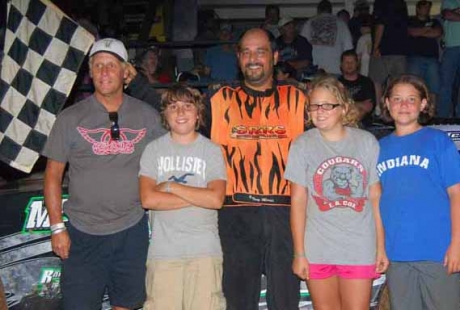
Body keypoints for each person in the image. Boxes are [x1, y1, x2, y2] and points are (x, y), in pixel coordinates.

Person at [43, 38, 164, 310]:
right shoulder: (70, 118)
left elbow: (174, 149)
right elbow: (52, 175)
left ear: (125, 72)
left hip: (131, 230)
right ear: (90, 72)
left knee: (127, 303)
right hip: (82, 234)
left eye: (111, 65)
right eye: (98, 66)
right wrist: (56, 227)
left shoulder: (146, 115)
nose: (105, 72)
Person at [208, 28, 307, 310]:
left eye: (260, 51)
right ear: (238, 58)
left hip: (287, 213)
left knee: (285, 299)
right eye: (247, 52)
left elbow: (339, 126)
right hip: (234, 211)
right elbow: (173, 114)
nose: (253, 59)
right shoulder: (217, 99)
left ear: (274, 57)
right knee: (237, 300)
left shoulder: (300, 98)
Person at [285, 75, 388, 310]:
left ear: (343, 107)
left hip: (359, 246)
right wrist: (299, 253)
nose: (319, 111)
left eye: (327, 105)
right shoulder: (302, 144)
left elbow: (375, 197)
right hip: (318, 247)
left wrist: (381, 247)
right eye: (314, 105)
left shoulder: (366, 142)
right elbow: (298, 201)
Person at [139, 84, 227, 310]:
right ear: (164, 115)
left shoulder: (212, 150)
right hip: (163, 254)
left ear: (198, 113)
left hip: (204, 254)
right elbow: (148, 199)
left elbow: (216, 200)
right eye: (173, 107)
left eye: (187, 106)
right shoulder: (153, 150)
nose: (180, 113)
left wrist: (170, 186)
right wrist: (200, 196)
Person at [378, 75, 460, 310]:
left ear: (423, 104)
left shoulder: (438, 141)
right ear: (386, 103)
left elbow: (457, 194)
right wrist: (381, 249)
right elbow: (377, 202)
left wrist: (457, 244)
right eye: (397, 99)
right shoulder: (379, 148)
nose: (404, 105)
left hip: (438, 252)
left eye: (411, 99)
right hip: (397, 255)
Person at [300, 0, 353, 75]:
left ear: (318, 10)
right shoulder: (341, 23)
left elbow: (301, 45)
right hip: (335, 69)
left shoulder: (309, 22)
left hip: (314, 70)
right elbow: (348, 49)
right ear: (331, 10)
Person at [407, 0, 442, 107]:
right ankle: (415, 110)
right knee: (415, 87)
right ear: (418, 8)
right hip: (415, 57)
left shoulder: (434, 21)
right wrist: (426, 30)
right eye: (424, 7)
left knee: (433, 87)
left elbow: (437, 33)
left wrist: (420, 32)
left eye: (428, 8)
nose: (427, 9)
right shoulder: (410, 20)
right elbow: (411, 32)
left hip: (432, 58)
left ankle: (432, 111)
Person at [338, 50, 376, 126]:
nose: (349, 65)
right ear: (341, 65)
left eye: (352, 62)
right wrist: (360, 103)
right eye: (346, 62)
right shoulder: (336, 83)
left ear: (357, 64)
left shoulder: (366, 82)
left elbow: (368, 107)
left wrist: (346, 104)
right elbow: (336, 105)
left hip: (362, 123)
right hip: (341, 120)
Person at [438, 0, 460, 117]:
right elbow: (447, 14)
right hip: (451, 47)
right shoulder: (449, 0)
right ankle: (443, 117)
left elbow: (451, 15)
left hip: (452, 49)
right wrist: (452, 14)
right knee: (445, 84)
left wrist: (455, 13)